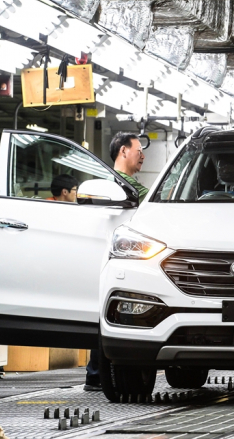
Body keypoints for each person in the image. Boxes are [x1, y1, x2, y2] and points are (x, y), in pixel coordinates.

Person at [85, 133, 150, 392]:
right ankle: (97, 373)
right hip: (113, 258)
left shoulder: (125, 186)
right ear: (123, 151)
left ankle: (95, 373)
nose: (143, 155)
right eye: (138, 149)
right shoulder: (114, 186)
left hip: (129, 257)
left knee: (107, 311)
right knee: (108, 312)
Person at [110, 132, 149, 203]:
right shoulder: (123, 181)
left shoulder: (112, 177)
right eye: (139, 151)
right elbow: (156, 200)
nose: (143, 156)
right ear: (123, 151)